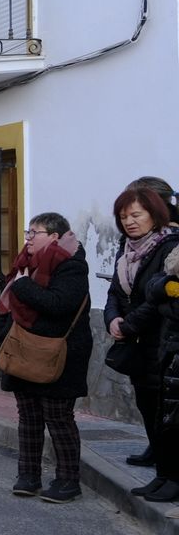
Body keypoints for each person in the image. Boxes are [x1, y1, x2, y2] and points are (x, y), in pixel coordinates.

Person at [0, 213, 93, 503]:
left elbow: (58, 305)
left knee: (58, 417)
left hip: (58, 354)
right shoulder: (25, 263)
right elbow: (7, 305)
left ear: (54, 236)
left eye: (34, 233)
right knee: (29, 416)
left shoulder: (72, 266)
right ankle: (28, 476)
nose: (27, 238)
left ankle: (67, 480)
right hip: (24, 348)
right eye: (28, 232)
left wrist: (23, 287)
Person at [105, 187, 179, 496]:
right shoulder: (127, 247)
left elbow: (158, 296)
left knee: (167, 414)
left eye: (136, 215)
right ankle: (162, 473)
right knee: (148, 408)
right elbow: (115, 292)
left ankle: (171, 476)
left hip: (160, 340)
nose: (130, 222)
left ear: (155, 213)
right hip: (135, 344)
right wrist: (111, 319)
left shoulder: (168, 247)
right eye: (124, 217)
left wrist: (130, 325)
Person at [147, 239, 179, 509]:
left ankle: (174, 479)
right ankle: (165, 474)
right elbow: (154, 286)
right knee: (166, 418)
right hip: (171, 351)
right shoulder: (173, 249)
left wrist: (167, 302)